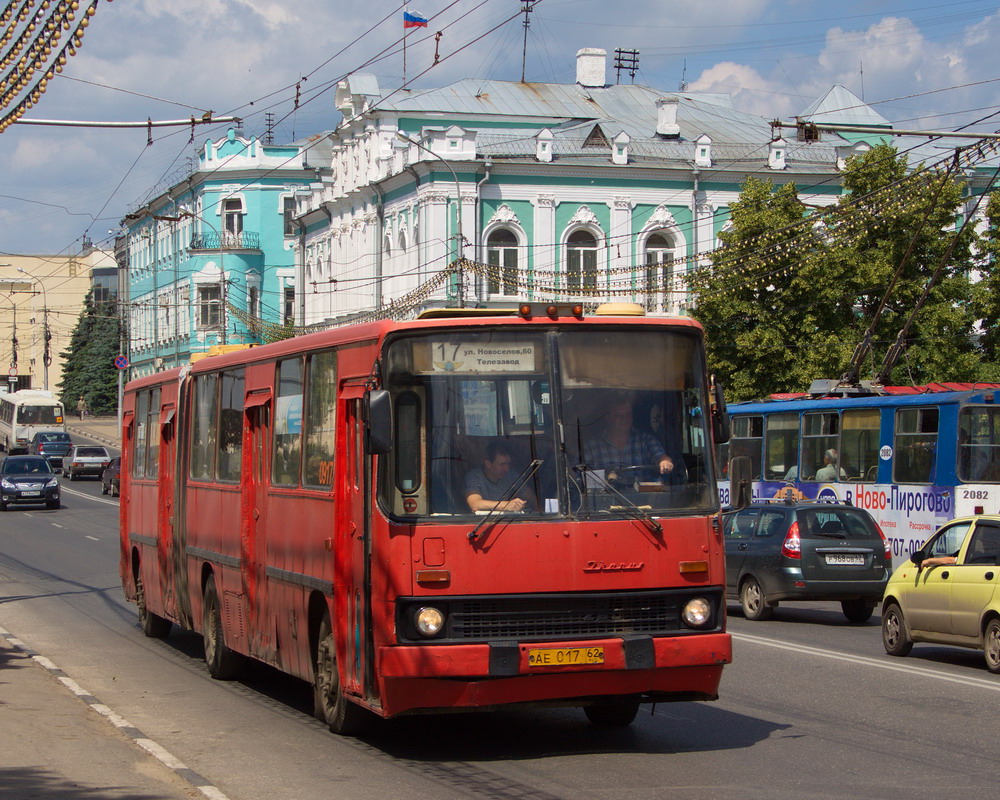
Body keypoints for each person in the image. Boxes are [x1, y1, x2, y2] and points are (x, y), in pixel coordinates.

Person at [587, 394, 678, 485]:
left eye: (628, 415)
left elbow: (661, 457)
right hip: (607, 499)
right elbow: (578, 474)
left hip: (644, 498)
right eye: (619, 416)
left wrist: (665, 462)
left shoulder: (646, 440)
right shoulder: (592, 446)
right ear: (608, 418)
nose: (625, 419)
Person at [464, 440, 536, 513]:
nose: (507, 469)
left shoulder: (511, 474)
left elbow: (532, 498)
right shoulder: (474, 476)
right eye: (502, 464)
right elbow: (475, 504)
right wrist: (507, 505)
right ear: (488, 464)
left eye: (508, 464)